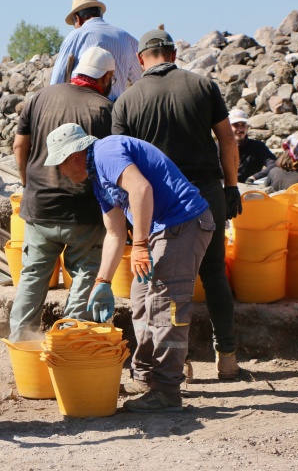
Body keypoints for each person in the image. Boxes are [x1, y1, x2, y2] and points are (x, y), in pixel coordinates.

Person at [44, 123, 214, 412]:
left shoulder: (105, 151)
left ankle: (168, 390)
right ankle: (145, 376)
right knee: (140, 301)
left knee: (165, 305)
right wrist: (102, 281)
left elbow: (141, 188)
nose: (60, 171)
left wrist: (141, 245)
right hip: (162, 230)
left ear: (73, 155)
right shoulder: (99, 181)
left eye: (60, 163)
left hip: (181, 225)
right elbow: (114, 233)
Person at [111, 28, 243, 381]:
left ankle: (176, 363)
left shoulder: (127, 100)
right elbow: (228, 139)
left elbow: (124, 162)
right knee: (214, 273)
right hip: (204, 193)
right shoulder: (202, 86)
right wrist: (231, 187)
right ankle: (226, 357)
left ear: (141, 61)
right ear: (173, 53)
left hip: (159, 204)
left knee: (160, 283)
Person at [9, 47, 116, 341]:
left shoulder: (41, 97)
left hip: (40, 208)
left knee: (32, 279)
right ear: (106, 77)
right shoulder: (105, 109)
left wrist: (27, 184)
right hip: (85, 214)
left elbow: (20, 146)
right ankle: (68, 345)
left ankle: (21, 344)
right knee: (83, 279)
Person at [49, 0, 142, 102]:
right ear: (100, 14)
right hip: (115, 112)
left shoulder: (76, 36)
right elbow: (141, 78)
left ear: (77, 18)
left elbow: (56, 84)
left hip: (83, 109)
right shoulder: (126, 38)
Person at [229, 108, 276, 183]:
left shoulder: (257, 147)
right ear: (228, 127)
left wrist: (255, 177)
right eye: (236, 125)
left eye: (243, 125)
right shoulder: (218, 148)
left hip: (249, 189)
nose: (240, 129)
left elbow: (274, 164)